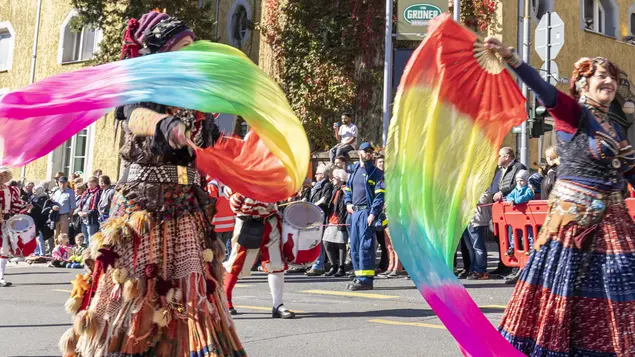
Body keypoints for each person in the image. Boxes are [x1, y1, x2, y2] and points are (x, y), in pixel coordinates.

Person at [58, 11, 244, 357]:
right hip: (143, 208)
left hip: (187, 207)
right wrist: (164, 125)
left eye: (193, 45)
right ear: (163, 51)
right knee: (132, 287)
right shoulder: (140, 88)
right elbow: (136, 117)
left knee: (192, 289)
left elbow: (210, 143)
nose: (191, 52)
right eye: (184, 46)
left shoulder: (194, 97)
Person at [486, 37, 635, 355]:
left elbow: (629, 172)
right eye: (601, 76)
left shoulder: (615, 127)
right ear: (583, 84)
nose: (609, 81)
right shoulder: (574, 114)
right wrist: (512, 58)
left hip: (613, 221)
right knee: (563, 291)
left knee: (622, 282)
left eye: (612, 76)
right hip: (574, 220)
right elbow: (545, 89)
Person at [224, 191, 296, 318]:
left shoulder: (273, 176)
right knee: (237, 263)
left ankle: (278, 304)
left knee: (276, 262)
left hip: (270, 221)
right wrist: (251, 191)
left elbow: (287, 192)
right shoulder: (238, 178)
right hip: (248, 223)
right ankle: (225, 299)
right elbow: (235, 206)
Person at [344, 142, 385, 290]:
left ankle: (366, 279)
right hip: (354, 212)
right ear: (359, 152)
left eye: (370, 151)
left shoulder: (376, 173)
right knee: (354, 245)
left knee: (365, 246)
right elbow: (348, 189)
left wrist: (373, 213)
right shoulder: (354, 171)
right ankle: (358, 275)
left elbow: (380, 196)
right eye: (365, 151)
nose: (368, 153)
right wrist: (348, 203)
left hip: (366, 213)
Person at [0, 167, 28, 286]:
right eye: (1, 175)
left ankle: (1, 277)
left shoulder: (11, 190)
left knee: (4, 248)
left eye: (4, 175)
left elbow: (15, 204)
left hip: (6, 221)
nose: (2, 177)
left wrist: (26, 206)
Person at [306, 165, 334, 276]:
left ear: (322, 175)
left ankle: (318, 265)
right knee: (314, 241)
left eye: (317, 173)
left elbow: (325, 200)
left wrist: (314, 205)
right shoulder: (317, 186)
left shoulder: (326, 185)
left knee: (318, 241)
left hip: (320, 216)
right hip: (314, 215)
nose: (315, 175)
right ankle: (313, 263)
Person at [322, 168, 349, 277]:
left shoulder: (345, 189)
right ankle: (333, 265)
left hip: (340, 220)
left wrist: (346, 192)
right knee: (326, 242)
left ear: (341, 178)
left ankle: (341, 268)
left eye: (335, 177)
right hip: (331, 220)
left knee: (341, 243)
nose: (332, 179)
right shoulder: (334, 189)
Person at [504, 170, 535, 255]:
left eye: (521, 180)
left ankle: (531, 247)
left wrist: (515, 201)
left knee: (529, 232)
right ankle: (512, 247)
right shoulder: (516, 189)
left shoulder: (528, 189)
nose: (519, 182)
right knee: (515, 233)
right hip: (518, 216)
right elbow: (509, 195)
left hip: (527, 215)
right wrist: (510, 200)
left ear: (526, 181)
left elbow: (526, 197)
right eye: (517, 181)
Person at [207, 179, 235, 259]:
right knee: (230, 248)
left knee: (218, 251)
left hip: (217, 223)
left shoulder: (213, 184)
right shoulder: (232, 182)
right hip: (230, 222)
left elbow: (210, 204)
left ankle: (219, 267)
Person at [51, 176, 75, 253]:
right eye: (61, 183)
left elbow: (73, 206)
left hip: (65, 215)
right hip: (56, 215)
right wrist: (53, 207)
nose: (62, 184)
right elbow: (52, 203)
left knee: (64, 235)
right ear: (58, 183)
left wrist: (69, 216)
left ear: (67, 183)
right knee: (56, 235)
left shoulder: (70, 192)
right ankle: (56, 252)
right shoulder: (56, 192)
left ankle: (64, 252)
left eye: (64, 183)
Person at [76, 176, 101, 242]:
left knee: (91, 237)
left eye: (92, 182)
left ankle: (90, 251)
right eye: (89, 182)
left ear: (96, 183)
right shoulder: (86, 192)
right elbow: (81, 205)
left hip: (92, 219)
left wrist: (87, 213)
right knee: (84, 236)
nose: (89, 184)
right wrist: (79, 211)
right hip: (83, 218)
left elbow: (96, 208)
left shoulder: (98, 193)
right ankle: (85, 251)